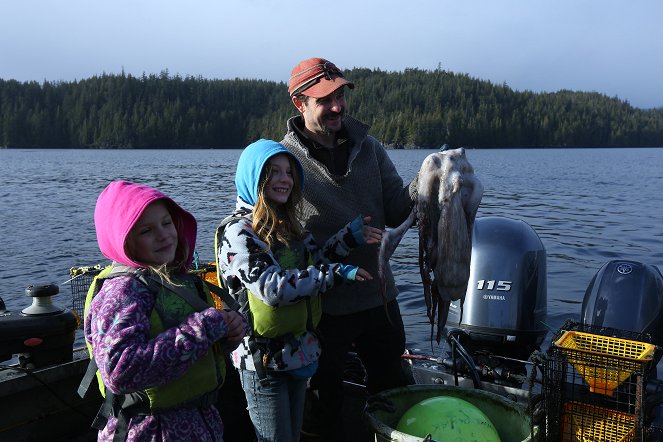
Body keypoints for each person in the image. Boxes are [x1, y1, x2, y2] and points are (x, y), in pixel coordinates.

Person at [281, 57, 418, 440]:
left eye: (341, 95)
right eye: (325, 99)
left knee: (393, 393)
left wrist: (426, 182)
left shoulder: (370, 148)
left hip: (379, 296)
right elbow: (278, 238)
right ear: (300, 104)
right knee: (322, 405)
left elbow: (396, 210)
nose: (338, 106)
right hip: (323, 308)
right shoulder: (283, 163)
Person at [217, 139, 381, 442]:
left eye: (289, 172)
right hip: (262, 362)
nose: (284, 180)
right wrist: (337, 274)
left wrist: (348, 238)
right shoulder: (239, 232)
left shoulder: (290, 225)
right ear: (254, 176)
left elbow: (315, 263)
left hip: (298, 354)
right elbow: (272, 288)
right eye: (273, 172)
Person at [84, 180, 248, 442]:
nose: (163, 235)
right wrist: (205, 327)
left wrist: (229, 333)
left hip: (199, 422)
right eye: (146, 230)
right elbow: (119, 370)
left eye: (167, 223)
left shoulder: (176, 280)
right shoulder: (122, 293)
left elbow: (188, 348)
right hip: (150, 431)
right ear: (123, 240)